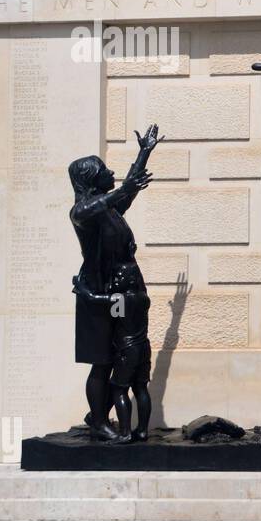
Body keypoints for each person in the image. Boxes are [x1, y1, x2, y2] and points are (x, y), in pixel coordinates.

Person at [69, 125, 162, 441]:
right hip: (95, 293)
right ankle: (98, 421)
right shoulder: (83, 211)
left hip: (118, 293)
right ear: (91, 180)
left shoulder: (109, 210)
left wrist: (145, 151)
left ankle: (101, 415)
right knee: (102, 361)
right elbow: (119, 192)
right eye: (105, 170)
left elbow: (128, 190)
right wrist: (125, 187)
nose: (112, 173)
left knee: (125, 354)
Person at [72, 264, 151, 442]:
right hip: (144, 348)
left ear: (130, 280)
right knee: (141, 388)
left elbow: (93, 298)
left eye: (120, 277)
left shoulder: (121, 299)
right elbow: (118, 313)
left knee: (119, 389)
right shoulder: (144, 298)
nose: (117, 279)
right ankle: (143, 430)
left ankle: (125, 433)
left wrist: (81, 286)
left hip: (127, 350)